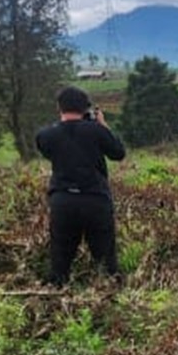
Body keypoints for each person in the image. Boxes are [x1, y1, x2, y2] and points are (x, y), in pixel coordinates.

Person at [35, 86, 127, 286]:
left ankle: (58, 293)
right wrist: (103, 125)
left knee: (60, 258)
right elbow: (118, 153)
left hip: (62, 200)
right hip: (95, 199)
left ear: (59, 107)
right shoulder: (97, 131)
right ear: (85, 108)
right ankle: (109, 292)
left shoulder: (46, 135)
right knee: (105, 258)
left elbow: (48, 151)